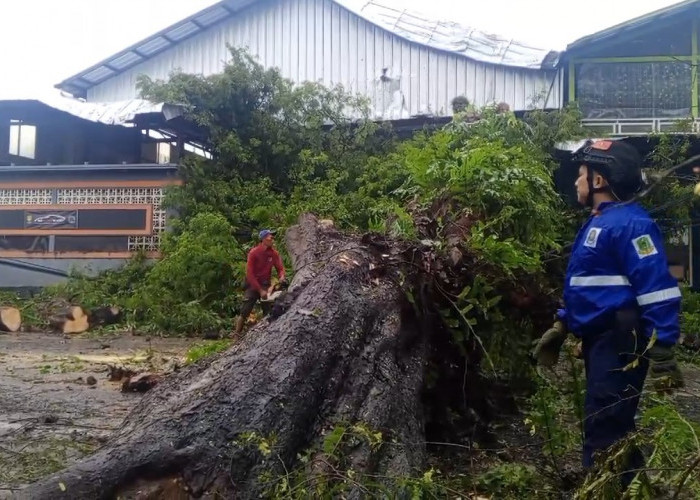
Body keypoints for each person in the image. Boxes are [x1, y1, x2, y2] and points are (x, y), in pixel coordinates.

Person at [531, 139, 684, 488]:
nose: (576, 182)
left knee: (605, 423)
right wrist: (563, 323)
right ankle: (638, 489)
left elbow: (657, 287)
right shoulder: (601, 222)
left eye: (581, 174)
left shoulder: (632, 225)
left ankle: (602, 491)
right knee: (613, 422)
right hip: (602, 341)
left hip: (620, 342)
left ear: (599, 180)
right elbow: (594, 287)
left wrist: (663, 347)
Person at [234, 229, 286, 336]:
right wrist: (259, 290)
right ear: (263, 239)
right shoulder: (254, 253)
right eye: (270, 237)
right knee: (245, 310)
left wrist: (281, 276)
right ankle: (236, 334)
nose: (272, 238)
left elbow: (280, 268)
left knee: (268, 310)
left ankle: (267, 334)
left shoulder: (274, 253)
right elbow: (250, 274)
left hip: (265, 284)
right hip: (253, 284)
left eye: (272, 237)